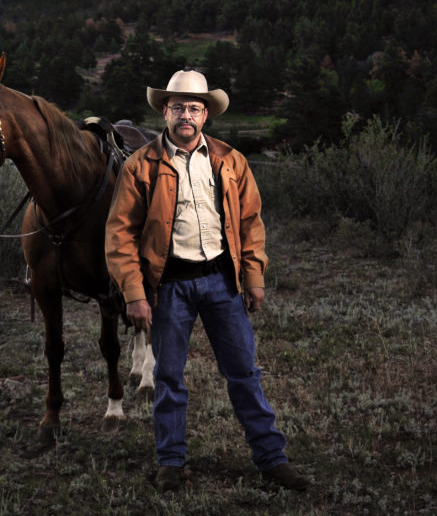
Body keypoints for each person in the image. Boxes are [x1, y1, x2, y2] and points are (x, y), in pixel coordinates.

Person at [105, 69, 307, 493]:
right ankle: (171, 463)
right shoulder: (139, 166)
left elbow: (251, 222)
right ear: (165, 110)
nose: (186, 115)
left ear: (205, 114)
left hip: (221, 282)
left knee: (244, 373)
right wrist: (135, 292)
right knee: (169, 378)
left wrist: (253, 276)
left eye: (194, 107)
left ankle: (272, 459)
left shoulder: (230, 161)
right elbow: (120, 235)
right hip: (170, 288)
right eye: (178, 106)